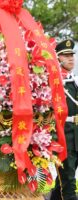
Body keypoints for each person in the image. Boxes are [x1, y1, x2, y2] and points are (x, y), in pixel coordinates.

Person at [50, 39, 77, 200]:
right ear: (58, 58)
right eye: (66, 56)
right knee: (68, 182)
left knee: (63, 183)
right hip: (63, 135)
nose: (71, 58)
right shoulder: (55, 82)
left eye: (72, 55)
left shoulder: (74, 80)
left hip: (76, 135)